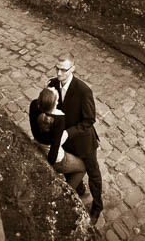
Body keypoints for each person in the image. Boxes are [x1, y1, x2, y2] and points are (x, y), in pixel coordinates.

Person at [48, 51, 103, 225]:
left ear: (73, 68)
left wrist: (68, 133)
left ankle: (97, 207)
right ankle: (78, 187)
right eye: (57, 68)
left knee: (94, 174)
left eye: (63, 70)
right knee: (70, 167)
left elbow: (89, 120)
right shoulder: (53, 84)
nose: (59, 74)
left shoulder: (84, 91)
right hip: (66, 142)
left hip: (84, 141)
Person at [29, 87, 86, 192]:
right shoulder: (59, 119)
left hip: (38, 144)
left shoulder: (33, 105)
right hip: (57, 158)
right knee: (82, 167)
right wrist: (49, 167)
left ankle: (80, 188)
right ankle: (67, 194)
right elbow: (55, 147)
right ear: (54, 105)